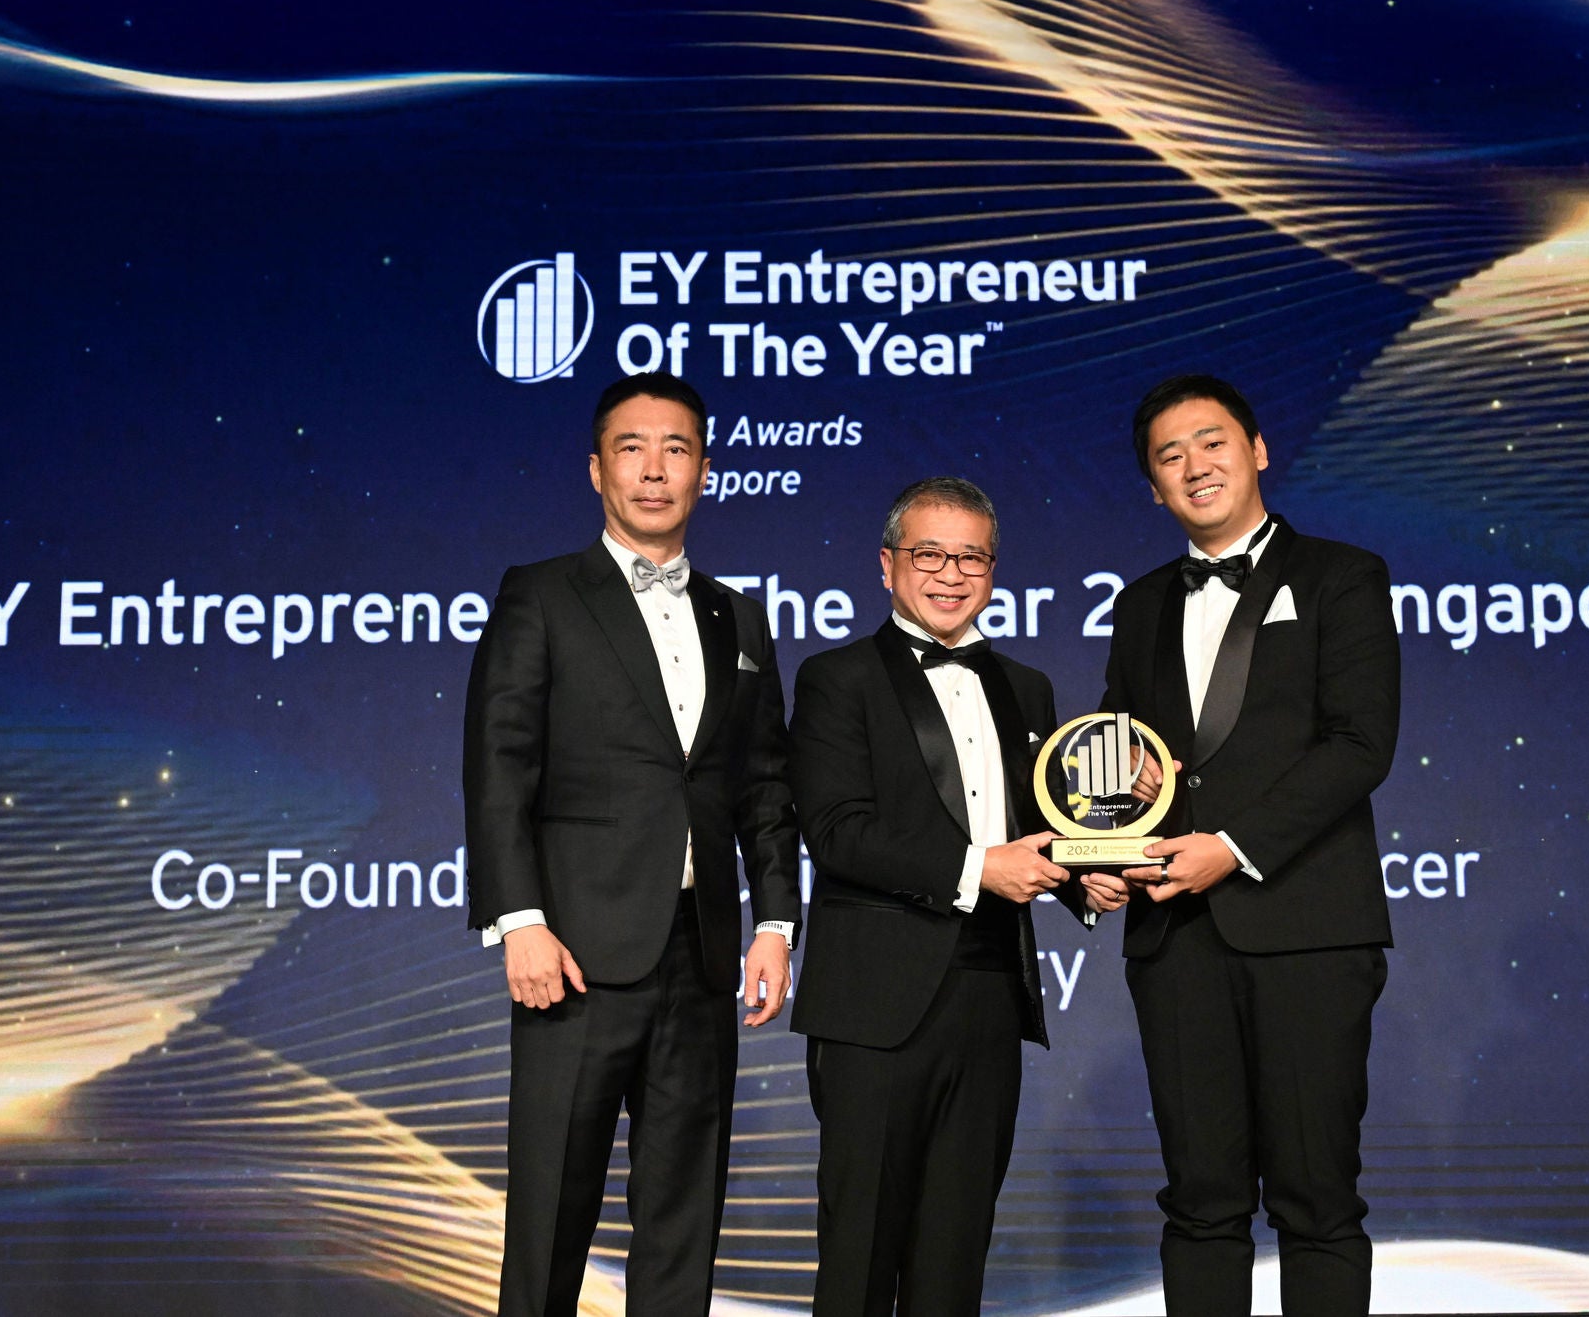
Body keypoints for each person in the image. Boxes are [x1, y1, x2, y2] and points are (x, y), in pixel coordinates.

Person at [462, 371, 803, 1317]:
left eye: (677, 449)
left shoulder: (740, 616)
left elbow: (763, 785)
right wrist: (519, 921)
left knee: (683, 1217)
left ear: (704, 470)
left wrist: (774, 920)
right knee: (550, 1218)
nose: (655, 470)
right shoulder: (541, 594)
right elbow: (499, 767)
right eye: (632, 448)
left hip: (699, 958)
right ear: (596, 468)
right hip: (573, 955)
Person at [789, 476, 1130, 1316]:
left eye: (970, 556)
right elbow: (835, 831)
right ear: (886, 565)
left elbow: (1046, 827)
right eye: (929, 553)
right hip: (873, 1007)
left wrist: (1090, 879)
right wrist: (980, 870)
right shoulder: (836, 677)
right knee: (861, 1254)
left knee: (954, 1257)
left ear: (993, 568)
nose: (949, 573)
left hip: (988, 999)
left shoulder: (1028, 686)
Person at [1107, 373, 1400, 1315]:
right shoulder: (1140, 602)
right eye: (1169, 455)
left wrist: (1228, 845)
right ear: (1153, 486)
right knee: (1200, 1201)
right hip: (1176, 940)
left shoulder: (1341, 576)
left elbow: (1360, 745)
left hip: (1307, 930)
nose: (1194, 465)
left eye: (1212, 441)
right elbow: (1126, 757)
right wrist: (1118, 833)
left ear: (1258, 449)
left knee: (1316, 1200)